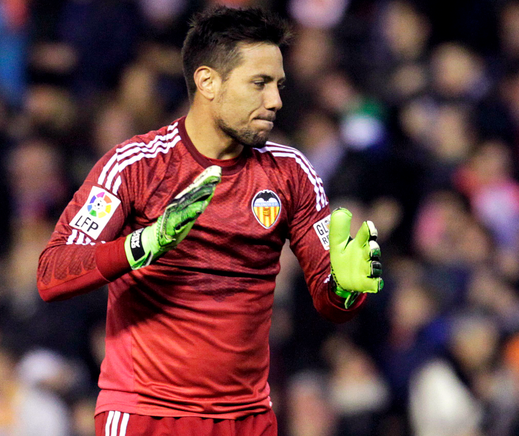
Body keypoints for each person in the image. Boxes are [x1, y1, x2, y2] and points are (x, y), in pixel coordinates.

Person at [37, 6, 383, 436]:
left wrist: (347, 291)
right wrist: (142, 245)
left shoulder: (290, 172)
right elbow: (52, 273)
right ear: (208, 82)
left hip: (247, 419)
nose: (275, 100)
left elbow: (329, 301)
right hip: (148, 415)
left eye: (278, 85)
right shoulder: (134, 166)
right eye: (259, 83)